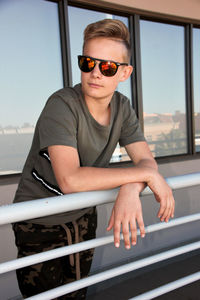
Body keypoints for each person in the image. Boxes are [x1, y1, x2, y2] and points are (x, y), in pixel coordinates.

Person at [12, 19, 175, 299]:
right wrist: (143, 176)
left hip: (83, 214)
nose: (95, 73)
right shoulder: (62, 104)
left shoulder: (122, 108)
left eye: (107, 66)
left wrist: (130, 187)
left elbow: (147, 163)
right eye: (88, 62)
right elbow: (71, 180)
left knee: (77, 293)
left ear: (125, 73)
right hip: (40, 219)